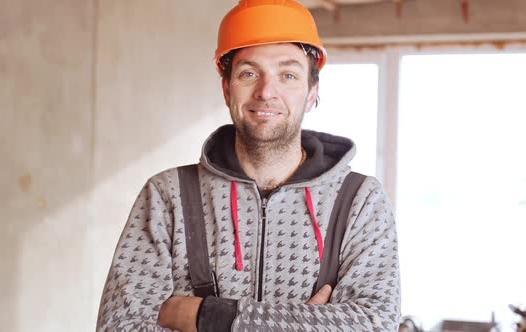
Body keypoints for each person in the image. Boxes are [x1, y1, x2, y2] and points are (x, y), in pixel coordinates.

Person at [96, 0, 400, 331]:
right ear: (227, 89)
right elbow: (120, 326)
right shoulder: (167, 196)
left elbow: (374, 324)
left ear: (312, 92)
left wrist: (207, 317)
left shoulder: (360, 201)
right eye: (249, 73)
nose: (266, 91)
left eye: (288, 74)